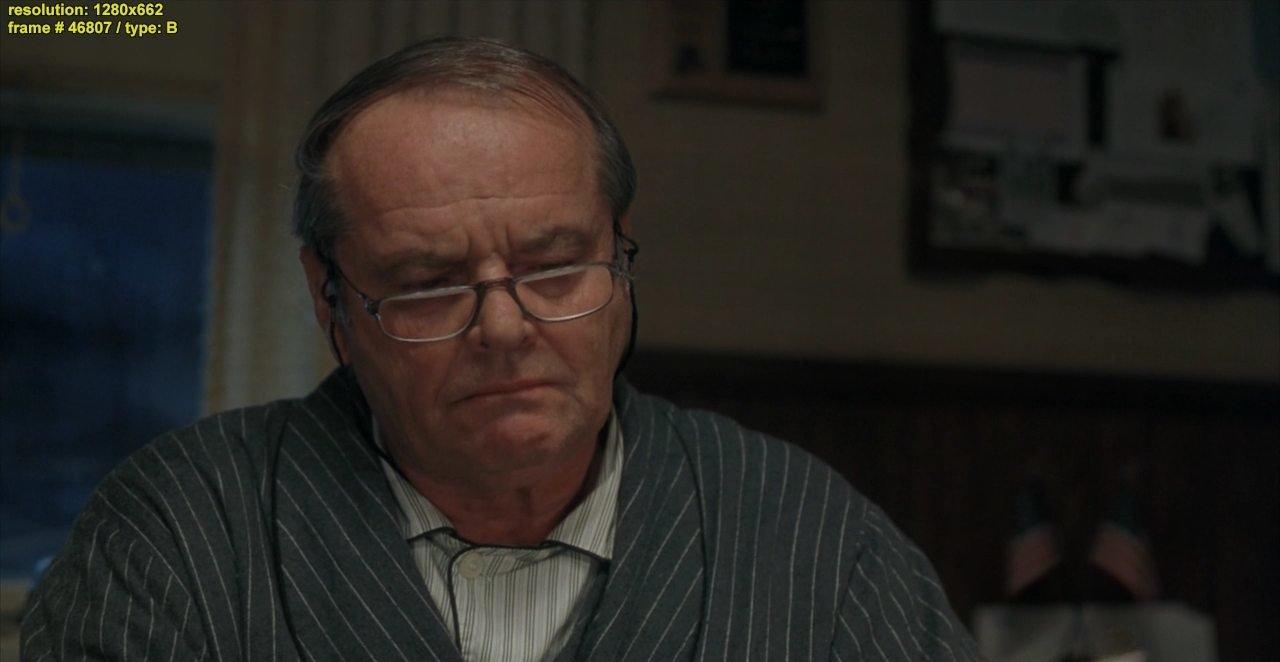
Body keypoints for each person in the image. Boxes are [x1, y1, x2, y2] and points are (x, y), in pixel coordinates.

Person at [21, 37, 979, 661]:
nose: (507, 328)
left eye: (555, 266)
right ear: (329, 300)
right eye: (429, 283)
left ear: (620, 255)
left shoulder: (811, 539)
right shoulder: (178, 535)